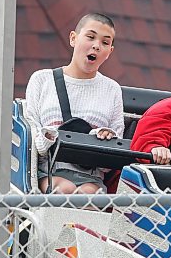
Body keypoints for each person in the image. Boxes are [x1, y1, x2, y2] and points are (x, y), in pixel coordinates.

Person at [25, 13, 124, 193]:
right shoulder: (42, 80)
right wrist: (49, 136)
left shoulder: (112, 89)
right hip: (49, 172)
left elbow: (112, 156)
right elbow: (32, 138)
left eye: (105, 42)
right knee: (65, 189)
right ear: (73, 38)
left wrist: (104, 137)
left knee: (89, 194)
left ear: (110, 51)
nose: (96, 45)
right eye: (91, 37)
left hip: (91, 177)